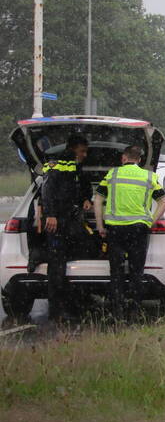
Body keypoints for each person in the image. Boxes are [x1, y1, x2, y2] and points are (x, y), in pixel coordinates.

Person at [94, 145, 165, 320]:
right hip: (138, 230)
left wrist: (100, 226)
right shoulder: (149, 176)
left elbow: (98, 199)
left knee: (116, 273)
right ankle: (134, 311)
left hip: (115, 230)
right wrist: (150, 222)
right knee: (136, 272)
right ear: (140, 160)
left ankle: (117, 311)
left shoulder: (112, 174)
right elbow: (163, 202)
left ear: (123, 158)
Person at [40, 134, 92, 321]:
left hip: (71, 220)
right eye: (82, 151)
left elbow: (81, 185)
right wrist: (51, 214)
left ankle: (75, 304)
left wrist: (86, 198)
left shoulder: (75, 166)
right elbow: (47, 190)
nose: (85, 155)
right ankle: (56, 310)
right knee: (56, 266)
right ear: (72, 149)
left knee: (82, 250)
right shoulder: (56, 164)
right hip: (57, 220)